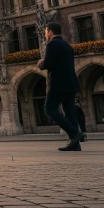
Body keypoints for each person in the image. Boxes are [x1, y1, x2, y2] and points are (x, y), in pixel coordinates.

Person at [37, 23, 83, 151]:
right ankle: (75, 144)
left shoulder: (52, 44)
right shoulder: (67, 45)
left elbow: (49, 63)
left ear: (50, 32)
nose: (45, 34)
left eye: (46, 32)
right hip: (71, 83)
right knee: (70, 113)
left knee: (49, 109)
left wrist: (41, 63)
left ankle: (74, 133)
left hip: (58, 83)